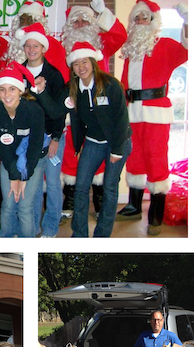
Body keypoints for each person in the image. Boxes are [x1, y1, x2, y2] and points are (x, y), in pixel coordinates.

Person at [44, 42, 131, 238]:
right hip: (92, 143)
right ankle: (80, 233)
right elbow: (55, 110)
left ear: (93, 62)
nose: (81, 67)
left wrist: (117, 151)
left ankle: (102, 235)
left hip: (117, 142)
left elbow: (121, 120)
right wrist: (41, 92)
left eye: (84, 62)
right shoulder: (73, 89)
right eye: (76, 64)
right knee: (81, 186)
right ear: (72, 68)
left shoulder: (111, 85)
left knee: (109, 187)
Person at [117, 0, 187, 235]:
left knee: (156, 158)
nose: (139, 22)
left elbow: (188, 47)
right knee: (134, 157)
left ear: (154, 20)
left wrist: (187, 20)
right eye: (136, 18)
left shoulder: (166, 45)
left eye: (144, 17)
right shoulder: (131, 49)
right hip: (132, 112)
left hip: (156, 111)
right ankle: (134, 206)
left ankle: (155, 215)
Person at [0, 62, 48, 237]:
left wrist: (24, 175)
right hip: (9, 158)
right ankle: (6, 244)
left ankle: (27, 247)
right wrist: (14, 175)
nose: (7, 94)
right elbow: (1, 147)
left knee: (25, 207)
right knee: (9, 205)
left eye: (12, 89)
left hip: (33, 158)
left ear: (21, 90)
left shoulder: (34, 111)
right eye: (2, 89)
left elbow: (35, 146)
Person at [19, 24, 66, 238]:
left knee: (53, 184)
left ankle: (50, 229)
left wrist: (56, 137)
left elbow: (59, 110)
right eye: (27, 45)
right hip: (30, 139)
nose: (31, 49)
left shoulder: (54, 76)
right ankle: (34, 228)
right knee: (34, 185)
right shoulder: (19, 72)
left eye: (35, 45)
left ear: (43, 48)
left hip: (52, 136)